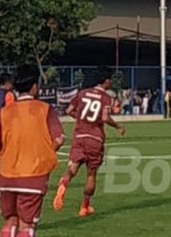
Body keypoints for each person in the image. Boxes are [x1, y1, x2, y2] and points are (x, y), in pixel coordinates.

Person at [0, 64, 65, 237]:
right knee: (27, 225)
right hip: (34, 174)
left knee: (10, 221)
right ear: (35, 87)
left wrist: (1, 151)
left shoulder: (4, 112)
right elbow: (58, 139)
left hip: (7, 175)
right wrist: (43, 153)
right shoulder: (45, 109)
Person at [53, 68, 126, 216]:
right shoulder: (105, 97)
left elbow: (69, 110)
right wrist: (118, 126)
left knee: (72, 168)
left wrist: (80, 118)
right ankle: (84, 207)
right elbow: (105, 117)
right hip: (95, 137)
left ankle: (64, 182)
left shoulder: (82, 93)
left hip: (79, 136)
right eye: (110, 80)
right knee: (91, 174)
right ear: (106, 81)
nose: (110, 82)